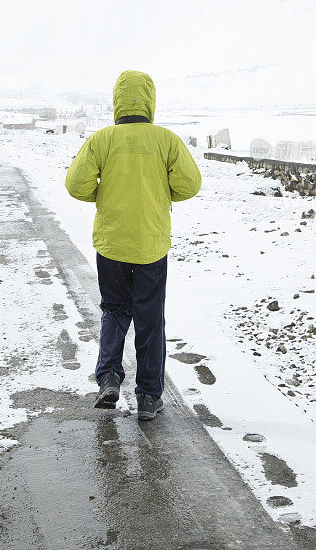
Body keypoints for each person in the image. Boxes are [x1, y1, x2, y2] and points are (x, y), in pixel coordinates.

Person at [65, 70, 202, 421]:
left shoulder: (101, 140)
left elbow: (76, 185)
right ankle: (148, 397)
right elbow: (189, 185)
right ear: (150, 100)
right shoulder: (166, 140)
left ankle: (109, 374)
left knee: (114, 310)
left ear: (118, 100)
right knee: (150, 320)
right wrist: (160, 193)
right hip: (150, 247)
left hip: (111, 244)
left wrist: (105, 195)